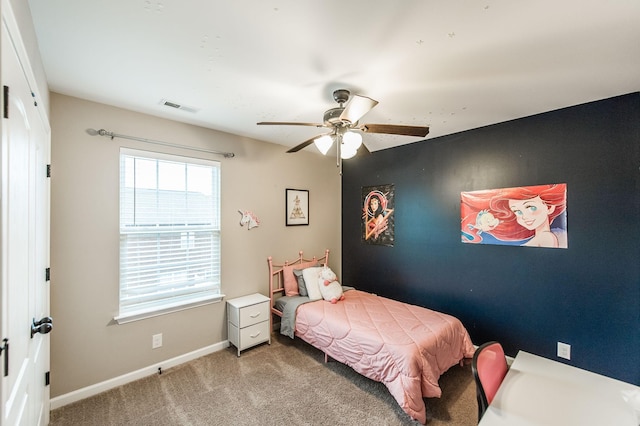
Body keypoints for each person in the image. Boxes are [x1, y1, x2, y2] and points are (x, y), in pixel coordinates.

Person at [461, 184, 567, 248]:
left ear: (549, 208)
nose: (524, 216)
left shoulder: (546, 237)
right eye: (517, 212)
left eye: (530, 207)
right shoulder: (544, 237)